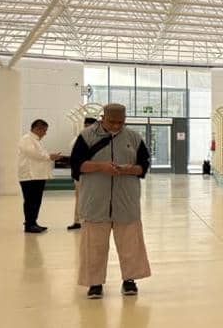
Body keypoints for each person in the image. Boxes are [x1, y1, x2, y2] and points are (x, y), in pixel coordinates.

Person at [70, 104, 152, 298]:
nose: (116, 126)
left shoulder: (133, 137)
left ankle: (129, 280)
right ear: (102, 118)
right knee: (94, 245)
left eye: (120, 122)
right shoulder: (87, 137)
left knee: (130, 244)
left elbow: (143, 166)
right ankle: (95, 283)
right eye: (112, 122)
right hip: (95, 201)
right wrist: (100, 166)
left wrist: (129, 169)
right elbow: (76, 165)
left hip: (126, 200)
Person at [17, 118, 61, 233]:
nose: (45, 133)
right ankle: (29, 224)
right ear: (37, 129)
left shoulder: (35, 140)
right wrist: (49, 156)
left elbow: (40, 154)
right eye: (44, 130)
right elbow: (34, 154)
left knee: (36, 201)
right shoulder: (26, 139)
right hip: (30, 176)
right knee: (31, 201)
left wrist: (49, 156)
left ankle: (33, 222)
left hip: (37, 176)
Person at [68, 116, 98, 230]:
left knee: (91, 198)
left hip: (94, 174)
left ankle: (86, 219)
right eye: (87, 126)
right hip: (81, 174)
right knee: (81, 198)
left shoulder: (97, 139)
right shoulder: (78, 139)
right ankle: (79, 220)